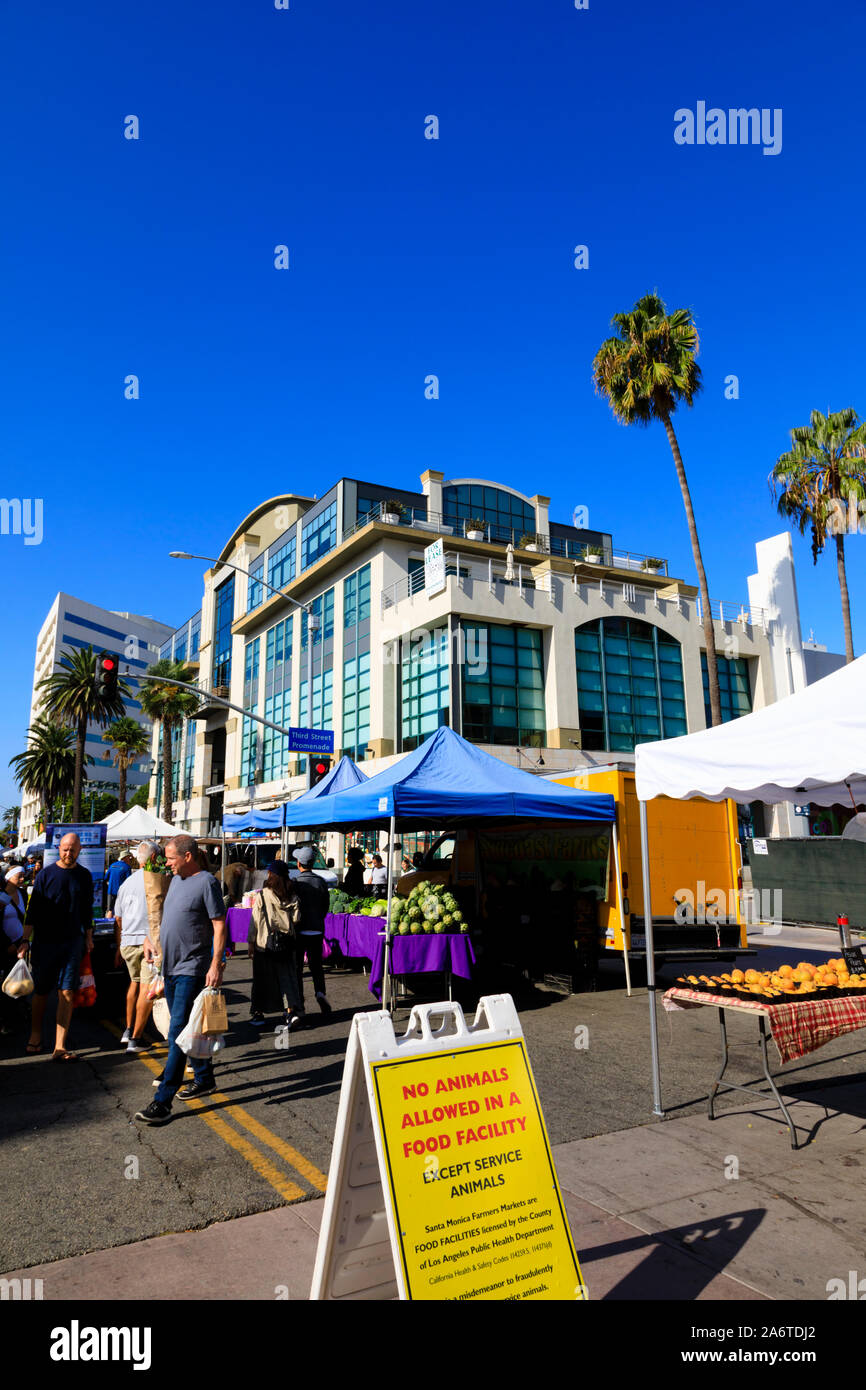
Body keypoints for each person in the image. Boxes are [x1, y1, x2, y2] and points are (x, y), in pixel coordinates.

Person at [134, 834, 227, 1126]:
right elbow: (168, 918)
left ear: (188, 856)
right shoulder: (176, 881)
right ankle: (204, 1078)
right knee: (187, 1026)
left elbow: (219, 924)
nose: (168, 863)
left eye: (172, 858)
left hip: (193, 967)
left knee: (176, 1032)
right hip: (171, 967)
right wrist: (151, 939)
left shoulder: (206, 882)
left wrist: (216, 963)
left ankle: (163, 1101)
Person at [19, 833, 93, 1061]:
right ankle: (35, 1035)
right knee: (41, 991)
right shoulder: (45, 875)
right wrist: (24, 940)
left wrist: (88, 937)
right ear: (58, 849)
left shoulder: (84, 876)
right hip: (45, 942)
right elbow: (33, 910)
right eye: (64, 849)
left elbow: (87, 910)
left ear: (79, 850)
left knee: (67, 992)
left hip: (72, 942)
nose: (68, 853)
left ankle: (60, 1046)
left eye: (72, 849)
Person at [114, 840, 158, 1053]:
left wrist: (120, 942)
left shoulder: (127, 883)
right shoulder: (156, 880)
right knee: (146, 990)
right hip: (146, 942)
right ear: (152, 858)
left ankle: (128, 1029)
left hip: (127, 940)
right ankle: (136, 1038)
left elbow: (118, 918)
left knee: (134, 983)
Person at [249, 862, 303, 1031]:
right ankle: (290, 1012)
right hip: (286, 944)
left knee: (261, 980)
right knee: (286, 978)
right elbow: (296, 919)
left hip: (264, 944)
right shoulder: (292, 895)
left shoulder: (263, 895)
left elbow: (254, 922)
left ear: (271, 874)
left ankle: (258, 1014)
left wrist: (251, 942)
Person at [290, 846, 332, 1016]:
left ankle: (300, 1001)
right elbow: (325, 907)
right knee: (316, 966)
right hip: (317, 929)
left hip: (300, 930)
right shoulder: (321, 882)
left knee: (297, 968)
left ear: (299, 864)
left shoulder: (296, 883)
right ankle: (320, 992)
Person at [0, 868, 27, 1037]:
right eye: (20, 876)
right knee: (4, 982)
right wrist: (6, 944)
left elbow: (26, 918)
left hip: (20, 945)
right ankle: (5, 1018)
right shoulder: (1, 896)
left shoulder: (23, 895)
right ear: (9, 878)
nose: (23, 878)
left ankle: (15, 1014)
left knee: (18, 979)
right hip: (4, 946)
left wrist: (25, 941)